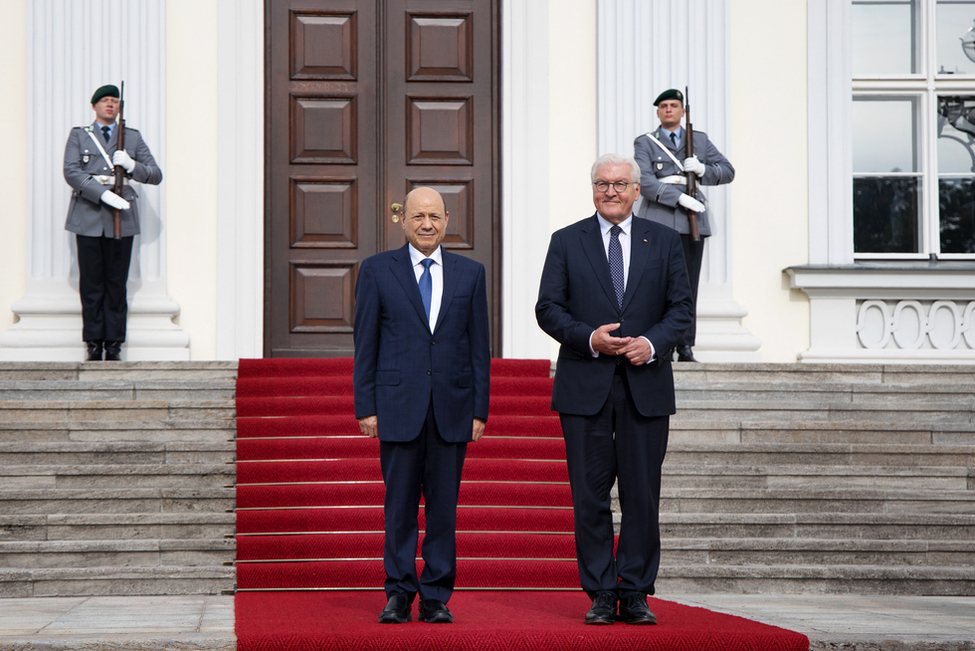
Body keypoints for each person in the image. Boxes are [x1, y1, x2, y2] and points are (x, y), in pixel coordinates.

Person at [535, 154, 692, 626]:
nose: (611, 192)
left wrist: (651, 343)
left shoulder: (664, 241)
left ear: (637, 190)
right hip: (586, 386)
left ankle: (636, 590)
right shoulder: (566, 241)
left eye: (620, 184)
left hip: (645, 386)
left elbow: (682, 310)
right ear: (592, 189)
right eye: (602, 184)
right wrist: (588, 339)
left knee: (643, 494)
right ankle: (602, 591)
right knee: (589, 495)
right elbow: (547, 308)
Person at [353, 186, 490, 625]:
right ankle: (398, 593)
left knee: (444, 510)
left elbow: (478, 347)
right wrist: (365, 407)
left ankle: (435, 595)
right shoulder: (377, 270)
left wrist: (479, 410)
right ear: (403, 220)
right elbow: (366, 344)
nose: (426, 224)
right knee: (400, 507)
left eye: (433, 216)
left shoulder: (471, 273)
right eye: (417, 216)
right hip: (397, 405)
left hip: (452, 408)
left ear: (446, 220)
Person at [633, 88, 734, 362]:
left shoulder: (698, 140)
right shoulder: (646, 142)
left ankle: (685, 345)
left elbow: (727, 170)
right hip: (658, 219)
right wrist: (678, 198)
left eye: (673, 105)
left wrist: (703, 170)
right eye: (663, 105)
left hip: (693, 224)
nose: (668, 109)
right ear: (658, 111)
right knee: (655, 285)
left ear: (682, 111)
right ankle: (657, 344)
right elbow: (644, 180)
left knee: (687, 287)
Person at [63, 84, 163, 361]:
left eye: (114, 101)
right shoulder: (79, 136)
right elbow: (71, 171)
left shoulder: (131, 137)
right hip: (89, 215)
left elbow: (155, 174)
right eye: (105, 101)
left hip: (122, 218)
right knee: (92, 283)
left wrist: (132, 166)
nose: (110, 105)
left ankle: (115, 344)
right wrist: (103, 194)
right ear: (94, 106)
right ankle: (94, 343)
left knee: (116, 284)